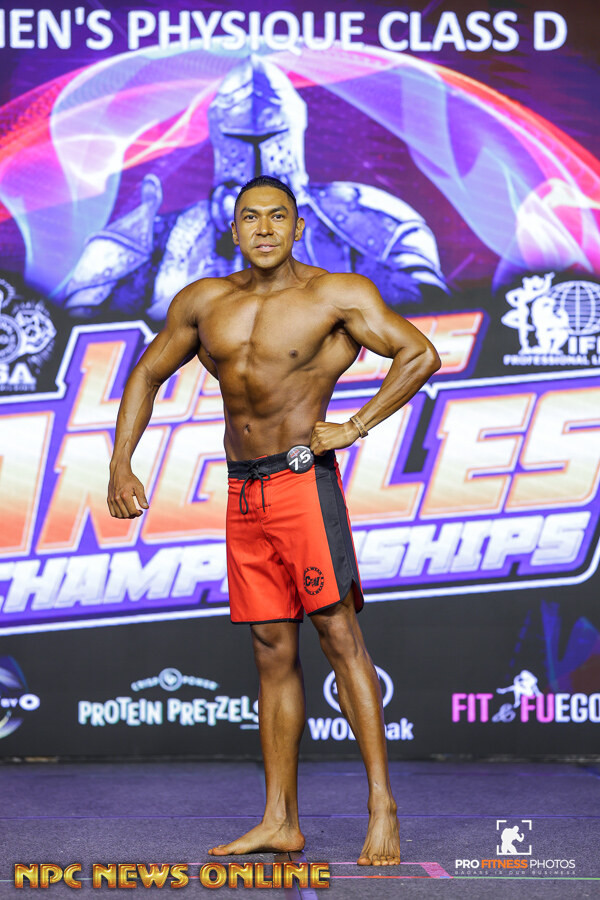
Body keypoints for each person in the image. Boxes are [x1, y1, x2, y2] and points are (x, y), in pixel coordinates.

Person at [107, 174, 441, 866]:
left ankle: (382, 805)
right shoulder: (204, 302)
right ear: (233, 229)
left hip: (302, 485)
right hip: (244, 493)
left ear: (298, 226)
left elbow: (419, 353)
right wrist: (120, 464)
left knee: (338, 635)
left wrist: (354, 426)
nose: (264, 229)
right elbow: (145, 374)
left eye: (278, 217)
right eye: (251, 218)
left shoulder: (336, 295)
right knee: (270, 649)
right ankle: (279, 820)